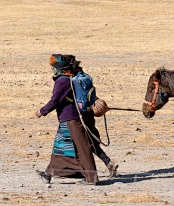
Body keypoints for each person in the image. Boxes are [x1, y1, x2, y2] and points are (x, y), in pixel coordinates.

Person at [35, 53, 118, 185]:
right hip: (77, 117)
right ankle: (48, 173)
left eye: (52, 67)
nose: (52, 70)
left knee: (82, 148)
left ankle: (91, 178)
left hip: (71, 119)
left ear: (58, 68)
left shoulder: (63, 81)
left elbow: (55, 101)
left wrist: (42, 111)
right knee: (62, 147)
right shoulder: (75, 75)